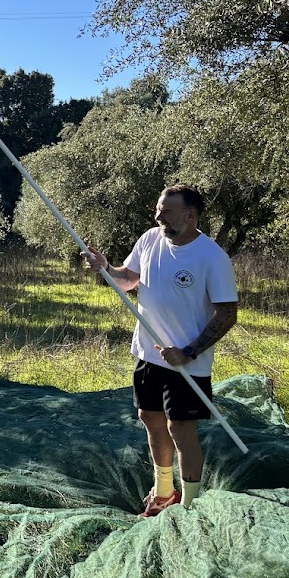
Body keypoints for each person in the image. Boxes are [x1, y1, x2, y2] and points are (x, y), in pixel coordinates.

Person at [82, 184, 238, 517]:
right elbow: (128, 279)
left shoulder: (212, 257)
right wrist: (106, 268)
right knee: (150, 419)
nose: (158, 216)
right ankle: (164, 491)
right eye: (158, 210)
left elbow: (227, 314)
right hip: (149, 353)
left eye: (166, 211)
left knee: (180, 429)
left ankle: (190, 504)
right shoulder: (150, 239)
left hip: (186, 363)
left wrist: (189, 351)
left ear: (190, 215)